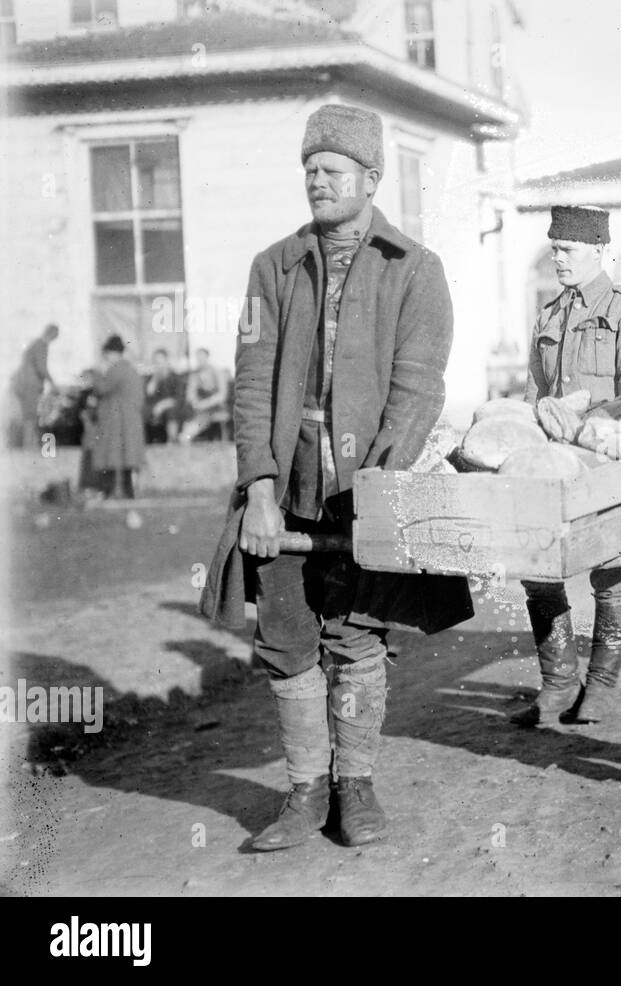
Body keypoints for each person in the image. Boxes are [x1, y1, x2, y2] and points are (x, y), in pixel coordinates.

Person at [198, 104, 473, 851]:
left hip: (366, 490)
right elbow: (251, 382)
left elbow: (419, 387)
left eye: (333, 170)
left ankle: (355, 788)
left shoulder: (415, 270)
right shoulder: (272, 269)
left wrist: (380, 490)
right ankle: (303, 794)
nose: (318, 182)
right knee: (286, 639)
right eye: (310, 170)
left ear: (371, 177)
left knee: (356, 639)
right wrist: (257, 485)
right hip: (285, 494)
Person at [513, 205, 621, 727]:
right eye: (554, 248)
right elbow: (533, 400)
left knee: (610, 573)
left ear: (598, 249)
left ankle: (601, 684)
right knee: (538, 570)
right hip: (552, 470)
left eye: (568, 249)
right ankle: (557, 682)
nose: (558, 258)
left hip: (606, 466)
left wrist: (590, 424)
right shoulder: (548, 316)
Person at [91, 335, 145, 499]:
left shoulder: (116, 369)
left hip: (117, 419)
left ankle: (108, 491)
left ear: (113, 353)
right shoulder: (130, 369)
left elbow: (102, 388)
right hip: (130, 418)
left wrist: (96, 373)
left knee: (110, 455)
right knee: (128, 457)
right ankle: (129, 492)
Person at [9, 323, 58, 448]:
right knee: (30, 417)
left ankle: (29, 445)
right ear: (53, 334)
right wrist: (53, 383)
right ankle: (28, 447)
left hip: (23, 383)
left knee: (29, 417)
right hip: (30, 385)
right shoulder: (41, 345)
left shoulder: (35, 343)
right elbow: (41, 367)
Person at [179, 348, 229, 442]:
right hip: (199, 408)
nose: (200, 360)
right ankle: (187, 433)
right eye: (198, 358)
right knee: (188, 412)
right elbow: (190, 394)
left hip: (215, 406)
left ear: (207, 357)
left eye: (202, 358)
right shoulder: (194, 374)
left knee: (202, 418)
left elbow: (222, 395)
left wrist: (205, 404)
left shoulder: (217, 372)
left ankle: (188, 434)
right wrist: (195, 403)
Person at [144, 348, 184, 444]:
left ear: (166, 361)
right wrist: (155, 378)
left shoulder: (175, 377)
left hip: (172, 405)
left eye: (161, 361)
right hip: (154, 406)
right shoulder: (151, 377)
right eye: (156, 362)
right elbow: (148, 395)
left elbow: (179, 397)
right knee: (143, 409)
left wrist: (162, 405)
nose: (159, 364)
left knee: (171, 412)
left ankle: (172, 441)